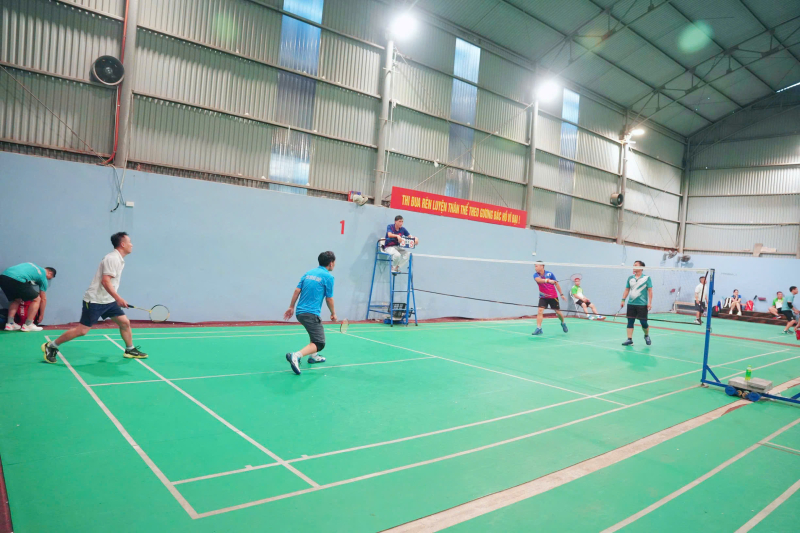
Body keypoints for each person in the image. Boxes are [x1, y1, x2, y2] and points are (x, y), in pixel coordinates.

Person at [42, 232, 147, 363]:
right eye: (129, 242)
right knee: (82, 330)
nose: (132, 244)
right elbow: (105, 281)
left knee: (125, 322)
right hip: (95, 300)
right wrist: (118, 298)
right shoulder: (112, 259)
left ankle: (130, 349)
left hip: (108, 300)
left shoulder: (119, 259)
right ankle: (51, 346)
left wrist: (114, 299)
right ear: (122, 244)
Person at [284, 251, 337, 375]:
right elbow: (329, 298)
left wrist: (291, 307)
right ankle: (296, 356)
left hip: (300, 312)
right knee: (319, 343)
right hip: (310, 313)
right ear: (331, 263)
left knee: (314, 334)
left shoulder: (308, 273)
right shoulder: (328, 277)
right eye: (334, 262)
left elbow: (297, 290)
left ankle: (313, 356)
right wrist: (333, 313)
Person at [1, 263, 56, 332]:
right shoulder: (43, 276)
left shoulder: (32, 265)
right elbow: (43, 299)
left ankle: (10, 324)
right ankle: (28, 325)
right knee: (37, 299)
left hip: (3, 277)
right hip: (17, 279)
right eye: (49, 278)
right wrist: (41, 315)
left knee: (16, 300)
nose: (47, 279)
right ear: (50, 273)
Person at [621, 260, 653, 346]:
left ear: (641, 267)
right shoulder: (630, 278)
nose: (633, 266)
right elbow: (627, 290)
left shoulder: (647, 278)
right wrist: (623, 300)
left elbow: (650, 291)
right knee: (630, 321)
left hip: (642, 305)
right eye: (633, 265)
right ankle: (629, 339)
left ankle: (646, 335)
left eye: (635, 265)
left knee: (643, 323)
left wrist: (649, 303)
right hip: (631, 304)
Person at [532, 262, 568, 335]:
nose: (535, 268)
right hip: (543, 297)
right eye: (535, 266)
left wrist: (561, 294)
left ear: (542, 266)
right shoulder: (536, 275)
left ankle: (563, 323)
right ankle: (539, 328)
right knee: (540, 311)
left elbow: (556, 284)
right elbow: (539, 280)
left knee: (558, 312)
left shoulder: (550, 274)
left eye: (536, 266)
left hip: (553, 296)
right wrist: (548, 280)